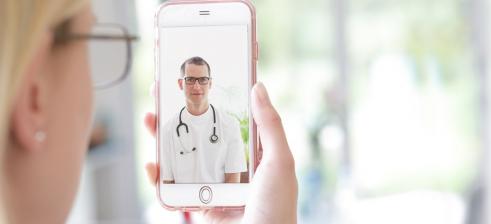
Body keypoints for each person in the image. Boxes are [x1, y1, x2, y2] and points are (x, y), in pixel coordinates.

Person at [0, 0, 298, 224]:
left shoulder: (228, 127)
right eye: (91, 40)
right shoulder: (169, 129)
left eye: (202, 79)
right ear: (34, 98)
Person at [160, 56, 247, 184]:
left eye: (203, 80)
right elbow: (168, 182)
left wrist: (218, 204)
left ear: (210, 83)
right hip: (183, 203)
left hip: (221, 203)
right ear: (180, 84)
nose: (196, 86)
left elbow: (233, 181)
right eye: (190, 80)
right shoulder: (167, 131)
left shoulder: (230, 125)